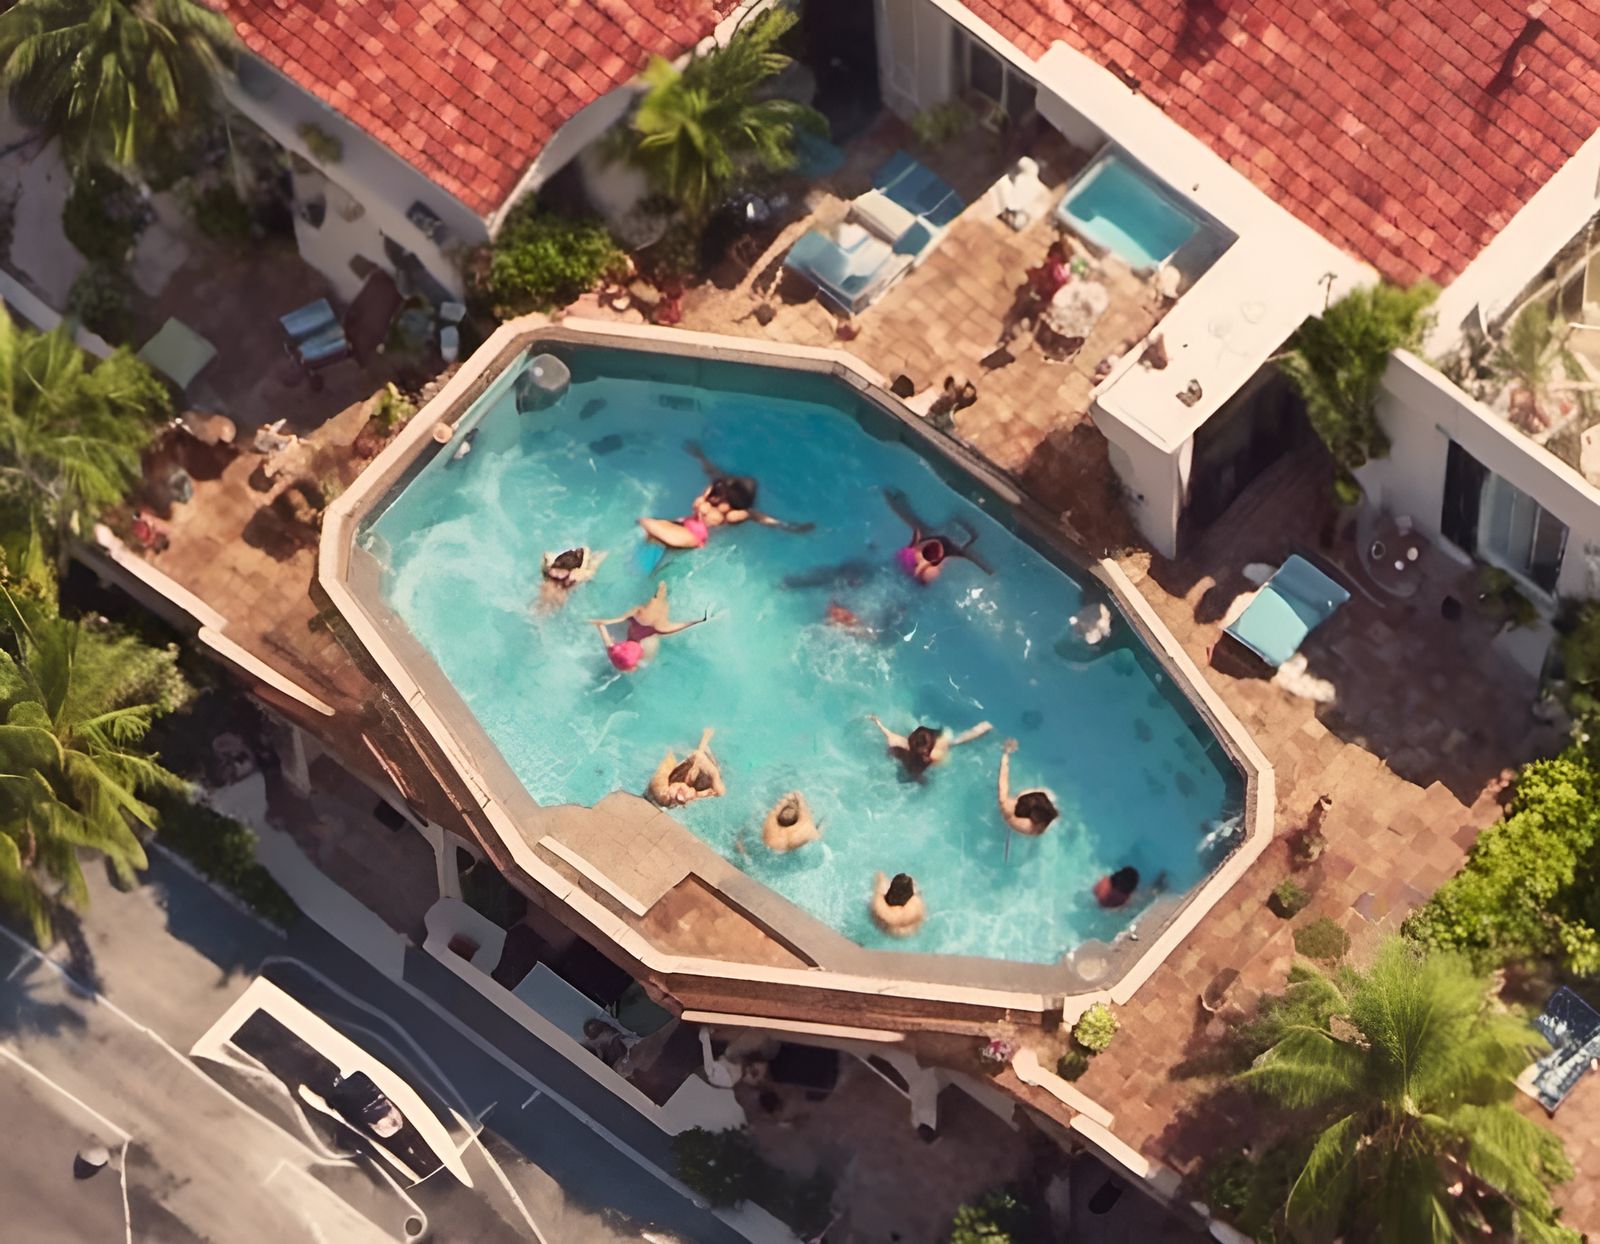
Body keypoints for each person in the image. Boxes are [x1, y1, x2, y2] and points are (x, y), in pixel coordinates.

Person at [639, 441, 813, 549]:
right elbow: (713, 472)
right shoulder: (716, 491)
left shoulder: (733, 514)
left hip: (694, 539)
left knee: (646, 523)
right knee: (645, 529)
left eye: (722, 494)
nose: (716, 495)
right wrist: (700, 456)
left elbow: (758, 516)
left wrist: (788, 526)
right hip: (682, 524)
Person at [884, 487, 991, 585]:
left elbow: (903, 514)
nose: (922, 560)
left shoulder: (923, 534)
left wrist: (889, 499)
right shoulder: (949, 554)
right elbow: (975, 560)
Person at [591, 582, 708, 672]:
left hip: (655, 601)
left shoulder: (659, 627)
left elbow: (685, 625)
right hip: (652, 601)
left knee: (661, 590)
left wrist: (702, 620)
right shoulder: (649, 624)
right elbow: (603, 629)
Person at [868, 715, 992, 777]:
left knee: (952, 743)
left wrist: (877, 722)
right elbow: (888, 734)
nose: (927, 754)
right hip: (915, 770)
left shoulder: (933, 753)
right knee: (951, 743)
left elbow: (886, 732)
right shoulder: (933, 755)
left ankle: (981, 730)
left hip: (914, 768)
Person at [997, 739, 1059, 852]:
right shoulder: (1040, 827)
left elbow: (1003, 782)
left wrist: (1006, 754)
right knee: (1048, 795)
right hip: (1032, 830)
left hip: (1011, 824)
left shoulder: (1007, 808)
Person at [647, 728, 725, 807]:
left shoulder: (681, 761)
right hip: (694, 757)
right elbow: (660, 785)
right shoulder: (675, 758)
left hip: (701, 760)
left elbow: (720, 792)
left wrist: (696, 795)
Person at [538, 546, 605, 609]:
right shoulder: (550, 564)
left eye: (560, 572)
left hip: (559, 595)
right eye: (554, 568)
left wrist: (584, 565)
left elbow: (590, 572)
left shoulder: (577, 576)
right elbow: (546, 554)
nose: (554, 572)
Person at [871, 872, 926, 936]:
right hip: (911, 931)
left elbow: (874, 913)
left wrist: (880, 878)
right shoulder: (916, 904)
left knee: (881, 878)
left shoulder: (880, 905)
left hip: (888, 931)